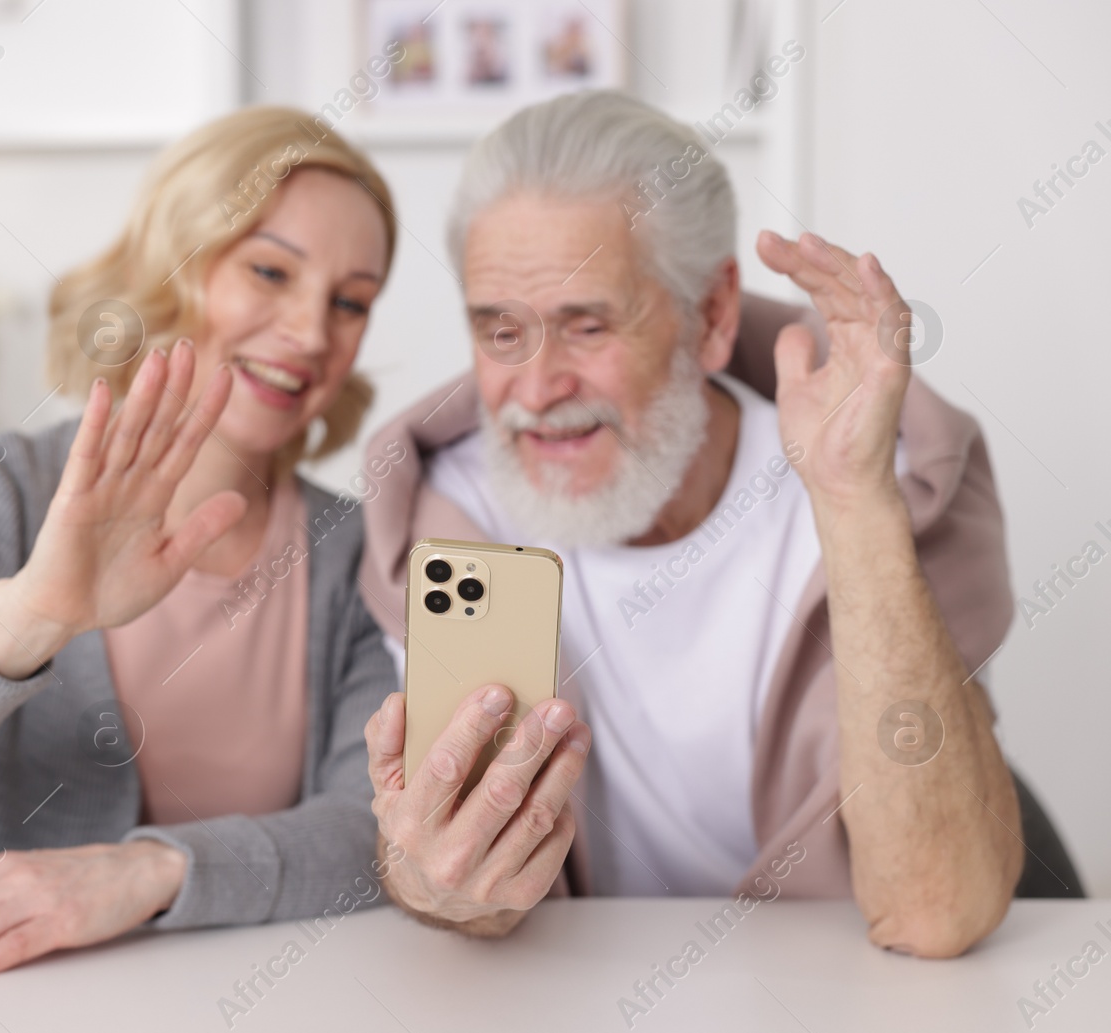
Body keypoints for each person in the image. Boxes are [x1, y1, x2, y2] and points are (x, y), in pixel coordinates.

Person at [358, 90, 1021, 957]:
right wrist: (428, 878)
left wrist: (855, 505)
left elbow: (939, 910)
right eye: (501, 331)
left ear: (711, 318)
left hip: (830, 1004)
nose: (537, 386)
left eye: (586, 324)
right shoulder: (445, 521)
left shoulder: (868, 482)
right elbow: (468, 894)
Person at [0, 107, 401, 977]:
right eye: (270, 270)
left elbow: (377, 832)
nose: (314, 332)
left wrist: (152, 869)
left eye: (350, 301)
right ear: (172, 262)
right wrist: (28, 618)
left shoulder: (351, 549)